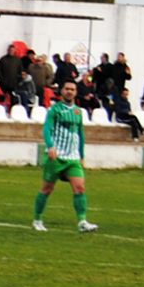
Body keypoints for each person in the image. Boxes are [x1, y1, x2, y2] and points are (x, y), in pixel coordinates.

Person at [33, 81, 97, 233]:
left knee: (80, 188)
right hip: (56, 157)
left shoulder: (78, 112)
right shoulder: (55, 110)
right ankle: (37, 219)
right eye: (67, 89)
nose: (70, 92)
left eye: (72, 89)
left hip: (73, 158)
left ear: (76, 92)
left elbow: (80, 133)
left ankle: (82, 221)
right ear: (61, 91)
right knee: (47, 189)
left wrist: (81, 154)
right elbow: (47, 129)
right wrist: (50, 146)